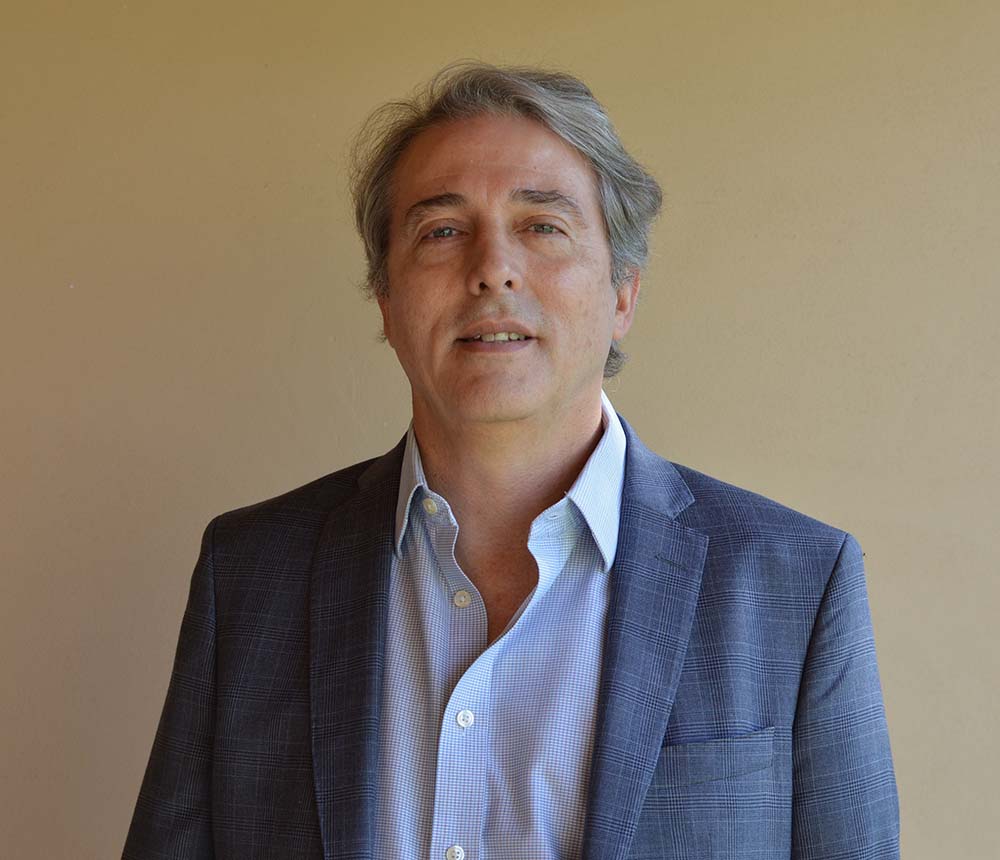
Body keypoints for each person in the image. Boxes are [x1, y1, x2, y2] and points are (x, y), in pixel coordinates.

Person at [123, 63, 899, 860]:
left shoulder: (794, 582)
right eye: (441, 230)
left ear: (623, 293)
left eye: (542, 226)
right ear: (386, 299)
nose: (492, 268)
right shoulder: (250, 575)